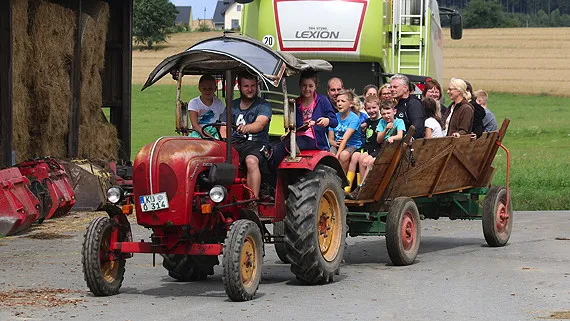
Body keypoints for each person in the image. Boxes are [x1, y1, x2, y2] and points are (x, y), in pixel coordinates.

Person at [270, 71, 337, 169]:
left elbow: (334, 121)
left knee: (281, 148)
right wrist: (288, 133)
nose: (307, 89)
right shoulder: (296, 103)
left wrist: (327, 120)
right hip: (297, 137)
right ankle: (274, 176)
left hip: (315, 140)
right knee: (273, 147)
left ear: (315, 86)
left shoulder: (322, 100)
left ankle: (273, 175)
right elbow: (293, 125)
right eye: (304, 86)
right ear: (300, 86)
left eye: (310, 86)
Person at [231, 71, 272, 199]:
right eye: (246, 86)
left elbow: (260, 124)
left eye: (252, 86)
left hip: (257, 143)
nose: (250, 89)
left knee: (251, 161)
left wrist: (246, 128)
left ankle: (252, 200)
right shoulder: (232, 106)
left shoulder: (263, 105)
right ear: (239, 87)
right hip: (235, 144)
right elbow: (223, 127)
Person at [347, 95, 383, 196]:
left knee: (364, 160)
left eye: (374, 108)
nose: (371, 111)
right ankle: (349, 187)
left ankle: (362, 188)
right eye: (369, 108)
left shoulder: (382, 122)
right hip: (368, 146)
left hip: (376, 148)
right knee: (355, 156)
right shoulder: (367, 121)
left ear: (379, 107)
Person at [328, 89, 362, 186]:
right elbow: (331, 139)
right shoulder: (334, 117)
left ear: (350, 104)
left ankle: (343, 183)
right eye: (338, 101)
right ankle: (331, 181)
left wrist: (337, 155)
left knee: (343, 156)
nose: (339, 104)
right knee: (330, 155)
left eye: (343, 101)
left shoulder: (354, 118)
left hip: (352, 145)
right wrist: (335, 145)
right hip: (338, 144)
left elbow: (345, 139)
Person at [390, 74, 425, 138]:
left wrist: (408, 139)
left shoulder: (413, 103)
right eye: (391, 87)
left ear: (405, 88)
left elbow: (417, 126)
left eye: (395, 87)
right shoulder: (397, 105)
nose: (392, 89)